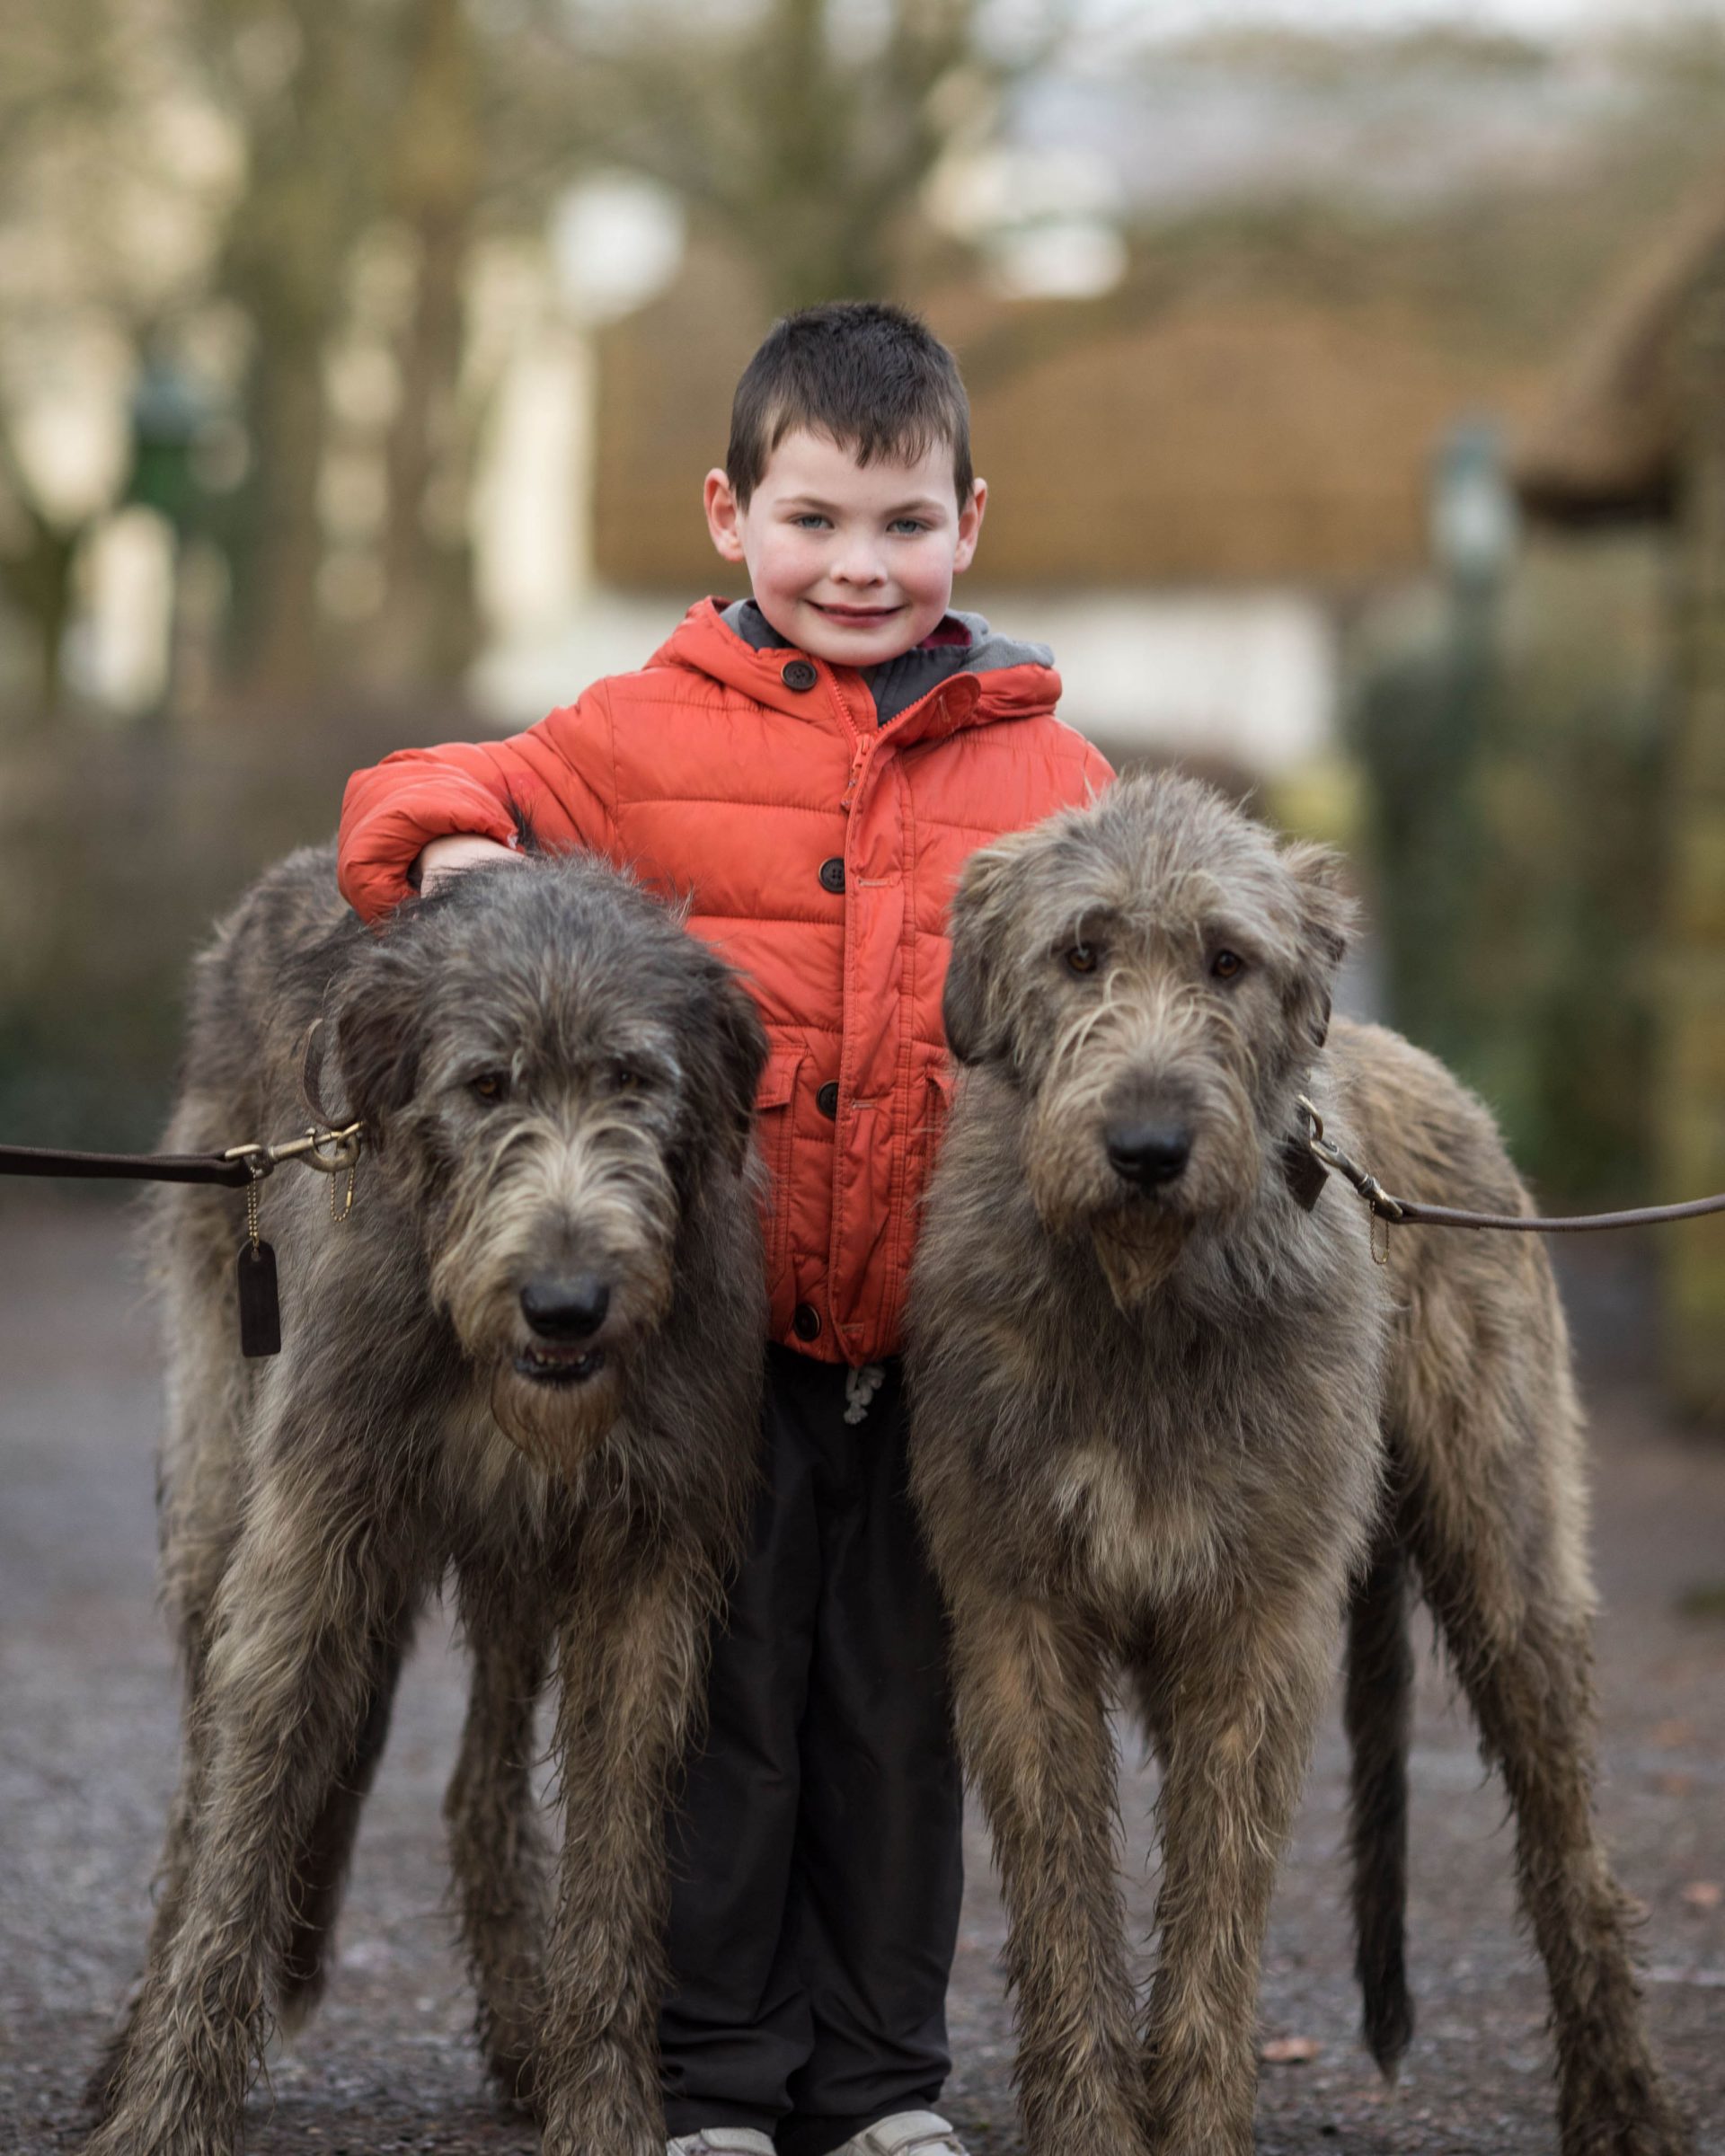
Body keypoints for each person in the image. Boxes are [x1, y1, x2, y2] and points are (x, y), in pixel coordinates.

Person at [337, 300, 1114, 2156]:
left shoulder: (1049, 777)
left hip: (942, 1354)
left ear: (971, 528)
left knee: (899, 1722)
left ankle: (882, 2084)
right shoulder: (633, 735)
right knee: (718, 1711)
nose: (861, 565)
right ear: (729, 515)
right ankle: (718, 2080)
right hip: (731, 1343)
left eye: (904, 524)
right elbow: (418, 790)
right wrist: (460, 851)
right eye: (818, 521)